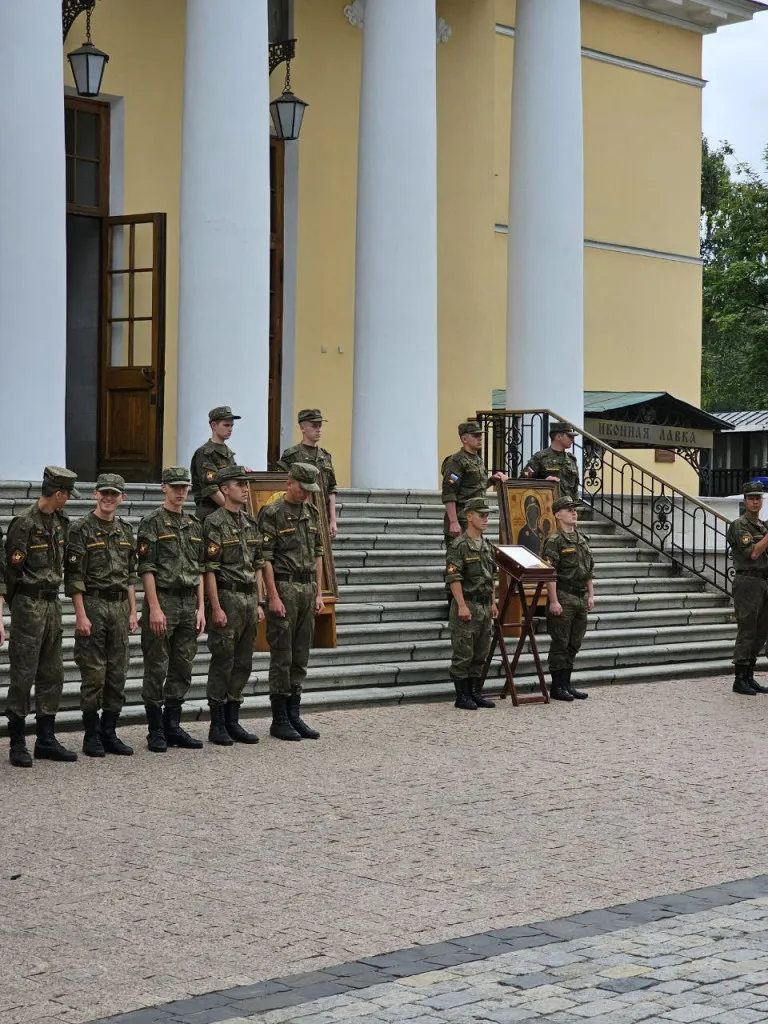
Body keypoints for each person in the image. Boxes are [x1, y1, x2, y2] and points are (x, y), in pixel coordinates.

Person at [4, 466, 80, 768]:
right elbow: (10, 572)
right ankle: (18, 742)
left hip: (52, 605)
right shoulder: (23, 523)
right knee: (23, 673)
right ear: (58, 493)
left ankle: (46, 739)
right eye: (68, 495)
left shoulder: (62, 521)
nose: (69, 500)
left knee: (53, 673)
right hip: (29, 604)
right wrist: (22, 603)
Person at [66, 473, 139, 757]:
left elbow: (130, 575)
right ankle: (91, 735)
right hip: (94, 605)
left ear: (123, 497)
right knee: (94, 673)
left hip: (120, 607)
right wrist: (81, 615)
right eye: (105, 493)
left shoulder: (125, 530)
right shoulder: (81, 529)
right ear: (95, 494)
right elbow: (74, 578)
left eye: (115, 494)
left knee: (117, 672)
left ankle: (110, 732)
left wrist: (134, 611)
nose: (109, 498)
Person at [137, 466, 206, 752]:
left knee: (183, 666)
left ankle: (172, 725)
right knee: (157, 666)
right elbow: (146, 568)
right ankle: (155, 730)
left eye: (184, 487)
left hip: (189, 602)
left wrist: (202, 608)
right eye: (175, 487)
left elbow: (199, 569)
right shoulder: (151, 522)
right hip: (163, 600)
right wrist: (154, 607)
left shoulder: (194, 525)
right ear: (164, 487)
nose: (180, 492)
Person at [259, 462, 324, 741]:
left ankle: (294, 712)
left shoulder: (312, 512)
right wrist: (272, 595)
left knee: (301, 654)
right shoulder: (272, 512)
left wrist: (320, 592)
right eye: (302, 488)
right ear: (289, 483)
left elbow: (319, 554)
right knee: (282, 654)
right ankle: (280, 717)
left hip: (307, 586)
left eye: (310, 490)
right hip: (284, 586)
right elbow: (265, 558)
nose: (306, 494)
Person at [203, 465, 265, 745]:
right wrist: (215, 607)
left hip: (249, 598)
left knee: (244, 661)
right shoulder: (214, 523)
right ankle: (217, 722)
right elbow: (210, 570)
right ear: (225, 488)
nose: (245, 488)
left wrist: (261, 601)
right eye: (239, 484)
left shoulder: (250, 523)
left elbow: (258, 565)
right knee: (223, 660)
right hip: (227, 597)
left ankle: (233, 718)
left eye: (246, 484)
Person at [445, 496, 498, 711]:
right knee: (463, 653)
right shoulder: (459, 545)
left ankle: (475, 692)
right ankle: (462, 695)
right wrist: (461, 605)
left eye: (487, 516)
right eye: (482, 515)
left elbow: (491, 576)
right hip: (468, 604)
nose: (486, 519)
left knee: (480, 653)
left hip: (484, 605)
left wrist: (493, 602)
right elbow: (454, 578)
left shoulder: (486, 545)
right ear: (469, 516)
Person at [543, 496, 594, 702]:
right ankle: (557, 687)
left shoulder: (582, 539)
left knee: (574, 643)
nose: (574, 512)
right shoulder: (555, 541)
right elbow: (549, 572)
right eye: (568, 510)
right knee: (560, 643)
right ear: (557, 515)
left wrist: (591, 594)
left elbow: (589, 569)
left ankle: (567, 683)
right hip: (563, 595)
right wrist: (553, 600)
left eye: (574, 509)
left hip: (580, 596)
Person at [726, 481, 768, 696]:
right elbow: (752, 553)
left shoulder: (762, 525)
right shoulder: (740, 525)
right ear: (744, 500)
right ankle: (739, 678)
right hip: (747, 582)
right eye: (751, 497)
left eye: (758, 497)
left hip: (763, 581)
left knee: (761, 631)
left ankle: (750, 675)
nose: (755, 501)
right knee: (748, 629)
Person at [441, 420, 507, 544]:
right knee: (459, 559)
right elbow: (449, 492)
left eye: (481, 435)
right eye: (476, 436)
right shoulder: (456, 461)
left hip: (475, 519)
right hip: (462, 519)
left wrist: (491, 480)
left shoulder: (477, 460)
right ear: (464, 439)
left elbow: (475, 487)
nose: (480, 438)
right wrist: (454, 522)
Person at [277, 409, 339, 538]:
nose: (318, 430)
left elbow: (331, 489)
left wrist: (333, 520)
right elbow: (281, 486)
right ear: (302, 428)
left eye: (320, 426)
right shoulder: (291, 455)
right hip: (298, 514)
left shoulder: (325, 456)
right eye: (314, 426)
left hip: (322, 514)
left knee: (322, 554)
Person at [190, 405, 240, 522]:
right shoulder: (205, 453)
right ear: (214, 425)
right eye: (226, 425)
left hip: (227, 510)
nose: (230, 429)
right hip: (211, 512)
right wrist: (231, 508)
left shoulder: (228, 453)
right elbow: (211, 488)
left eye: (232, 425)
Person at [523, 422, 580, 502]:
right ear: (559, 437)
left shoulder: (571, 459)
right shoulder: (540, 457)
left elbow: (575, 487)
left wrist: (575, 506)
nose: (572, 439)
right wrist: (544, 483)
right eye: (569, 436)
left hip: (567, 508)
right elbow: (523, 479)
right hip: (548, 506)